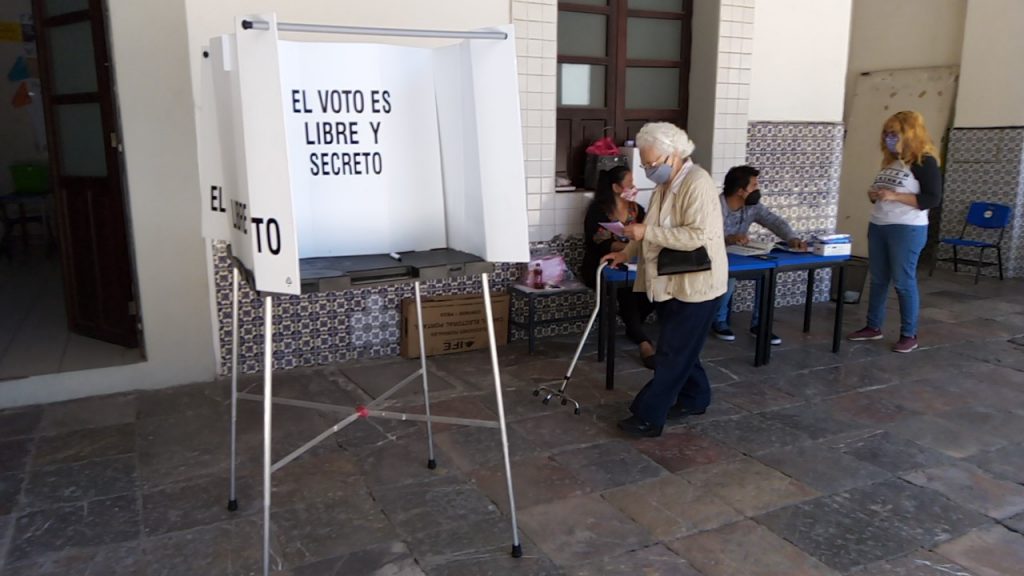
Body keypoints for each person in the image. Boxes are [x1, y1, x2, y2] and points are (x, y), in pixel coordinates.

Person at [602, 123, 727, 438]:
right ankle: (696, 398)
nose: (648, 170)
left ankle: (648, 415)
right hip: (672, 280)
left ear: (674, 155)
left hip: (696, 285)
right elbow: (651, 228)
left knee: (671, 354)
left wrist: (644, 233)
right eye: (644, 164)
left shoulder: (697, 183)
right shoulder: (667, 184)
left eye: (652, 164)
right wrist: (627, 251)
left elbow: (698, 235)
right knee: (683, 348)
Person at [848, 111, 942, 353]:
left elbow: (932, 198)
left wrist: (896, 196)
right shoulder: (891, 162)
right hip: (879, 223)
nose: (889, 138)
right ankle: (873, 326)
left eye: (894, 133)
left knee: (903, 281)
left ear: (910, 134)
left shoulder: (924, 162)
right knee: (878, 279)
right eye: (886, 134)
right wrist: (874, 194)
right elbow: (884, 192)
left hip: (907, 228)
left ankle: (909, 334)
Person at [713, 165, 807, 345]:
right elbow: (705, 235)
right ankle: (719, 320)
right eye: (754, 185)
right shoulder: (715, 206)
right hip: (718, 257)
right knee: (729, 278)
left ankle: (760, 324)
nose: (758, 189)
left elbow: (773, 220)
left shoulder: (752, 207)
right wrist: (728, 239)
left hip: (742, 255)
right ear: (741, 191)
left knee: (766, 275)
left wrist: (791, 238)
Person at [581, 166, 657, 369]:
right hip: (602, 266)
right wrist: (628, 248)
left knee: (653, 288)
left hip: (633, 265)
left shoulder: (637, 210)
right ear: (616, 187)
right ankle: (643, 342)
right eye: (629, 184)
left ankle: (634, 325)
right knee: (627, 293)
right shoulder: (598, 210)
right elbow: (598, 242)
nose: (634, 188)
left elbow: (650, 234)